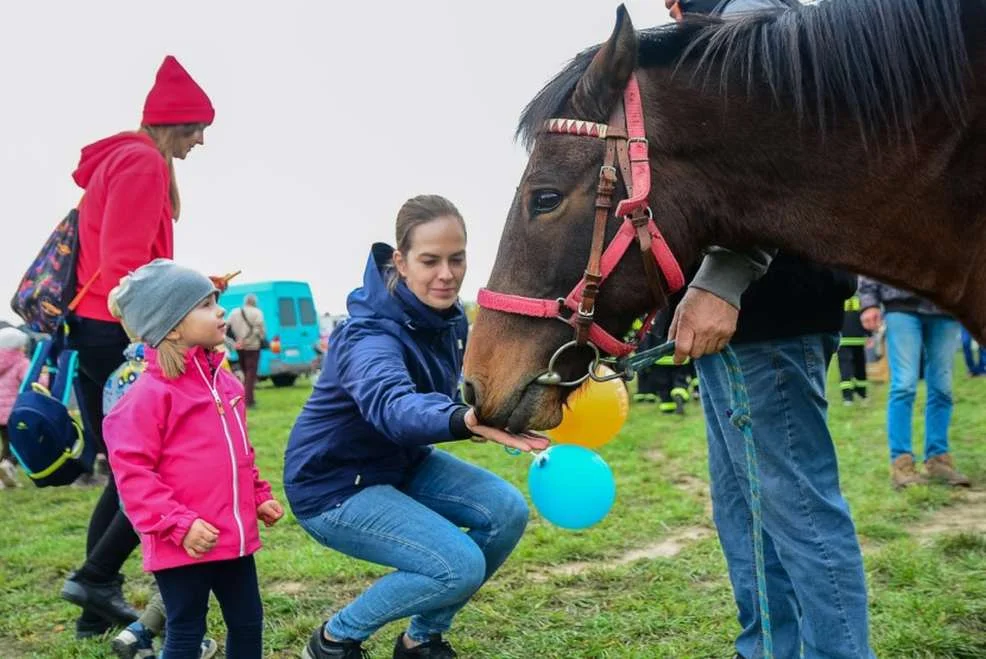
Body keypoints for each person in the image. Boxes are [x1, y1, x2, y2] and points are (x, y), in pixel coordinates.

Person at [665, 2, 875, 657]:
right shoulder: (711, 26)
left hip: (764, 314)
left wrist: (721, 280)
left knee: (798, 510)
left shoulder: (751, 20)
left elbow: (779, 163)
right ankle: (766, 646)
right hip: (734, 324)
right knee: (745, 513)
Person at [284, 195, 548, 659]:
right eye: (430, 261)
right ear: (401, 263)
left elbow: (458, 389)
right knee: (457, 565)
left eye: (456, 258)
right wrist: (464, 421)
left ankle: (420, 639)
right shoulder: (366, 335)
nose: (446, 274)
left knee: (506, 511)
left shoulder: (448, 320)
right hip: (333, 485)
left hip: (399, 464)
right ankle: (333, 641)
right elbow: (393, 405)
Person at [60, 54, 217, 639]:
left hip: (98, 324)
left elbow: (132, 264)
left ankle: (91, 609)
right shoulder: (141, 162)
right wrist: (160, 330)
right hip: (115, 329)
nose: (201, 140)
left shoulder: (127, 160)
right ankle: (96, 576)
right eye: (197, 127)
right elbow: (124, 269)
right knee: (153, 465)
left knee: (126, 469)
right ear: (173, 122)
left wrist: (195, 289)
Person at [104, 259, 283, 658]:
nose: (220, 310)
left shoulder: (226, 383)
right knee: (185, 629)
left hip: (232, 536)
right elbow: (133, 473)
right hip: (182, 541)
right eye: (205, 304)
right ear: (171, 326)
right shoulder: (148, 396)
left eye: (216, 301)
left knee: (248, 622)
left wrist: (257, 494)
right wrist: (178, 525)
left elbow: (240, 454)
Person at [859, 278, 971, 488]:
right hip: (900, 303)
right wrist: (869, 302)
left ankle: (938, 459)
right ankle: (901, 464)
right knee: (904, 385)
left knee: (942, 388)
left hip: (944, 306)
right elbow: (877, 251)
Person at [0, 327, 33, 488]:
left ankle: (3, 478)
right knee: (20, 444)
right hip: (13, 412)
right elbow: (30, 382)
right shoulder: (21, 362)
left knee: (6, 443)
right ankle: (8, 465)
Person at [228, 294, 266, 408]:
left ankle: (244, 397)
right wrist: (248, 339)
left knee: (244, 372)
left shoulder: (234, 312)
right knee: (251, 373)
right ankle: (248, 400)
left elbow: (227, 328)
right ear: (254, 302)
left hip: (239, 347)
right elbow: (259, 330)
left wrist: (236, 341)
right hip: (253, 346)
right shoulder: (257, 312)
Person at [838, 291, 869, 406]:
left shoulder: (839, 293)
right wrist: (869, 334)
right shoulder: (862, 295)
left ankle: (847, 397)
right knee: (860, 366)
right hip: (859, 337)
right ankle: (862, 394)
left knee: (845, 367)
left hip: (843, 338)